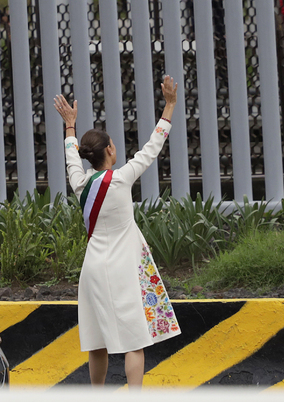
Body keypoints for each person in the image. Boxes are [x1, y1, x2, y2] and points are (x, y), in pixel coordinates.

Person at [54, 76, 181, 388]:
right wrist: (170, 104)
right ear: (110, 149)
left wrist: (70, 125)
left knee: (97, 343)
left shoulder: (80, 183)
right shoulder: (122, 177)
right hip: (123, 268)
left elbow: (72, 158)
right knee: (133, 340)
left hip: (93, 270)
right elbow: (152, 147)